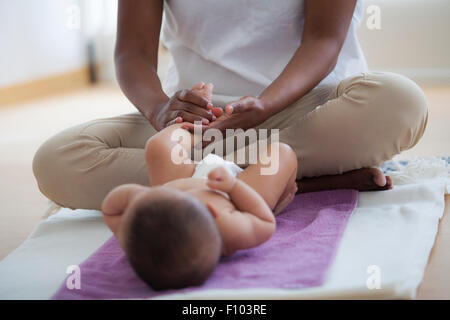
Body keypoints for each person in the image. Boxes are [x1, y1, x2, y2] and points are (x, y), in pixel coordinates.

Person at [33, 0, 427, 210]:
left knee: (400, 102)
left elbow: (324, 40)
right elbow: (132, 54)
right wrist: (161, 111)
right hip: (193, 128)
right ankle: (293, 181)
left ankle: (207, 181)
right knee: (57, 160)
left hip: (305, 110)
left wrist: (266, 104)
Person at [101, 82, 298, 289]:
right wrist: (232, 187)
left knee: (158, 148)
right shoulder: (229, 229)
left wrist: (142, 200)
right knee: (281, 153)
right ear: (212, 211)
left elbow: (111, 209)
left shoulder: (137, 236)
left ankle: (198, 127)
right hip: (235, 195)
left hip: (183, 176)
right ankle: (281, 189)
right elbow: (265, 223)